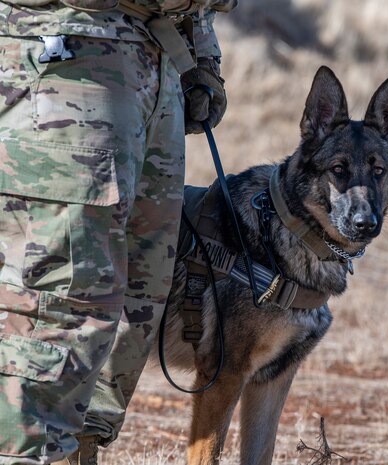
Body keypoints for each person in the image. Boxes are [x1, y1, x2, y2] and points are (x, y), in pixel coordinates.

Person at [0, 1, 234, 463]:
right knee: (62, 296)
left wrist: (200, 54)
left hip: (155, 54)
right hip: (70, 51)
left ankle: (75, 451)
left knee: (139, 297)